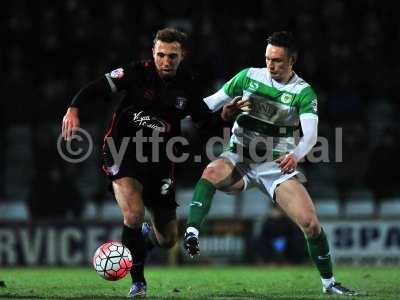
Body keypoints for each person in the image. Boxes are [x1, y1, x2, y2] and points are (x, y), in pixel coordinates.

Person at [183, 31, 363, 296]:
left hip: (275, 166)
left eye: (277, 60)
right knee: (210, 171)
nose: (271, 65)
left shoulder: (302, 92)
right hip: (240, 158)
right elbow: (210, 103)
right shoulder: (248, 77)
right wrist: (182, 113)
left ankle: (329, 283)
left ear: (292, 61)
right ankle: (192, 232)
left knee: (310, 224)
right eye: (268, 58)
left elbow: (311, 135)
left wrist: (296, 155)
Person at [61, 27, 220, 298]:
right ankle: (138, 283)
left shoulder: (188, 86)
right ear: (153, 53)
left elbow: (205, 122)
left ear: (182, 56)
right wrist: (73, 108)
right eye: (161, 55)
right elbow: (97, 87)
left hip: (161, 160)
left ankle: (142, 240)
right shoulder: (136, 73)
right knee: (133, 214)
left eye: (172, 56)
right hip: (122, 151)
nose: (166, 61)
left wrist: (224, 117)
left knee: (168, 239)